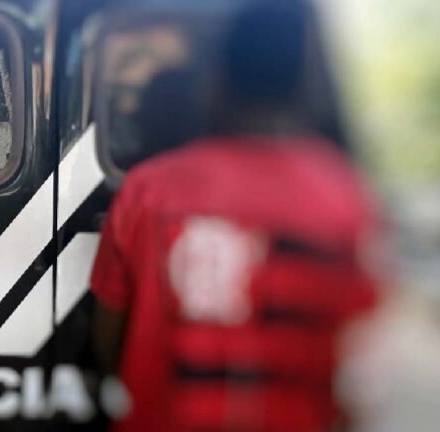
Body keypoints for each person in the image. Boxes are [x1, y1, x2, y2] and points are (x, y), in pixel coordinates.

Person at [90, 1, 380, 431]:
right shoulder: (345, 200)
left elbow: (108, 334)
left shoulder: (150, 190)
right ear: (306, 86)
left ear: (215, 84)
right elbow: (356, 365)